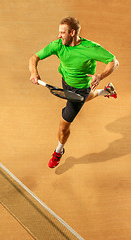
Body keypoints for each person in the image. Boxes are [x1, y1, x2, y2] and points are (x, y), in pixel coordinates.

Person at [29, 17, 119, 168]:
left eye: (62, 32)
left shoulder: (90, 48)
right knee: (81, 100)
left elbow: (113, 61)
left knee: (64, 125)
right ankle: (106, 91)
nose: (59, 36)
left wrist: (100, 76)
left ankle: (59, 150)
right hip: (66, 82)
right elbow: (34, 57)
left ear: (72, 33)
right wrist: (34, 72)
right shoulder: (58, 45)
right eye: (59, 32)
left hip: (81, 89)